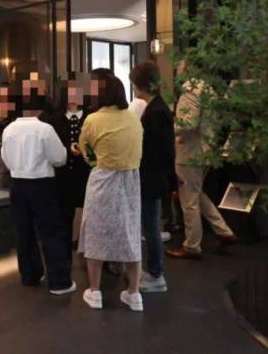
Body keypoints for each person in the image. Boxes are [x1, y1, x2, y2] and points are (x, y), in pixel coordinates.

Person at [78, 72, 144, 311]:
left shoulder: (93, 119)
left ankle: (95, 292)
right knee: (131, 234)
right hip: (131, 181)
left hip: (103, 179)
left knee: (96, 233)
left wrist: (95, 160)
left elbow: (86, 151)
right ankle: (134, 294)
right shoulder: (134, 119)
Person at [0, 97, 74, 295]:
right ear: (39, 109)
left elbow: (5, 159)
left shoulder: (8, 130)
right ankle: (59, 283)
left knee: (23, 232)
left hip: (17, 184)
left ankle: (30, 275)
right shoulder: (45, 129)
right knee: (51, 232)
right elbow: (59, 158)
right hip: (42, 184)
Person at [166, 60, 237, 259]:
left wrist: (169, 127)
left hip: (189, 152)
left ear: (187, 69)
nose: (178, 71)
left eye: (179, 67)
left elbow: (187, 125)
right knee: (197, 194)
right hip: (204, 150)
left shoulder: (190, 91)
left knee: (189, 200)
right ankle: (224, 232)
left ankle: (192, 245)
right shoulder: (208, 90)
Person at [130, 62, 176, 293]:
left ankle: (156, 275)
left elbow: (163, 151)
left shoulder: (156, 113)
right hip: (153, 176)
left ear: (140, 85)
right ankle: (153, 272)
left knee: (150, 228)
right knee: (149, 226)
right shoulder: (156, 108)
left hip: (151, 177)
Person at [51, 77, 92, 250]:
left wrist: (86, 150)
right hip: (63, 175)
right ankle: (65, 253)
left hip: (87, 174)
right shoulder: (55, 119)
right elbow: (52, 146)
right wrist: (68, 150)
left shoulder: (90, 117)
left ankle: (90, 251)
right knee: (64, 216)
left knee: (90, 215)